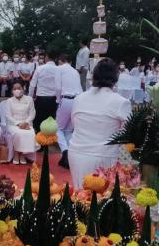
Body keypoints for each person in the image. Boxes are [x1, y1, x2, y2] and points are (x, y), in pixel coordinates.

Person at [68, 58, 131, 190]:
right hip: (104, 156)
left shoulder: (79, 98)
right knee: (101, 200)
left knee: (81, 196)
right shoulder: (121, 102)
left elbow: (75, 125)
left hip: (77, 153)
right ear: (115, 78)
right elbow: (126, 135)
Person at [55, 54, 83, 169]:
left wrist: (57, 100)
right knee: (68, 130)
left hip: (66, 99)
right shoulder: (75, 71)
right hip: (78, 100)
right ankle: (70, 156)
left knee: (58, 128)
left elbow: (57, 87)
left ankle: (65, 152)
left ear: (61, 61)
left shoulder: (59, 69)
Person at [5, 79, 37, 164]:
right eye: (14, 89)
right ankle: (16, 153)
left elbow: (32, 113)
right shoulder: (9, 101)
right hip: (13, 124)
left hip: (27, 123)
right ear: (12, 90)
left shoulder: (29, 99)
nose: (17, 90)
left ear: (23, 88)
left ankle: (23, 154)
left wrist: (26, 122)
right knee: (18, 133)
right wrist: (18, 124)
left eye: (19, 88)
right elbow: (8, 115)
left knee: (30, 133)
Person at [29, 52, 58, 132]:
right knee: (51, 121)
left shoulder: (40, 68)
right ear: (55, 59)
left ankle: (41, 141)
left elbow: (32, 85)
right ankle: (49, 140)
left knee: (39, 121)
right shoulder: (58, 69)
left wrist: (30, 97)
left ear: (46, 57)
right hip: (53, 99)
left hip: (41, 98)